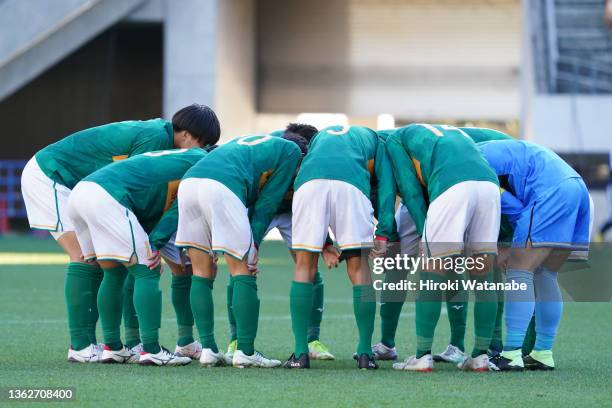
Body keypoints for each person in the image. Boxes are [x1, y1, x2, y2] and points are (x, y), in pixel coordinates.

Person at [20, 104, 220, 362]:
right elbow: (141, 192)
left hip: (82, 188)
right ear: (188, 135)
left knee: (109, 262)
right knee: (85, 258)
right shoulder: (158, 137)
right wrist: (150, 243)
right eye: (201, 143)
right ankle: (82, 345)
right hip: (51, 176)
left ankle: (112, 345)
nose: (200, 150)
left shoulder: (160, 134)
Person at [176, 133, 307, 368]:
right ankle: (245, 351)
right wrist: (253, 244)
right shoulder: (292, 152)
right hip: (222, 187)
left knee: (200, 271)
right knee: (242, 270)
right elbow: (268, 202)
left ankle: (208, 348)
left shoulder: (253, 142)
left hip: (189, 184)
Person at [386, 124, 500, 372]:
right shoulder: (453, 131)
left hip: (451, 186)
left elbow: (411, 192)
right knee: (483, 276)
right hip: (490, 187)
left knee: (432, 271)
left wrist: (425, 231)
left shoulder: (394, 140)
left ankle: (422, 356)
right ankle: (480, 356)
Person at [285, 125, 398, 370]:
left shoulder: (320, 136)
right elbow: (387, 186)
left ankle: (300, 354)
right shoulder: (379, 142)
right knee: (359, 269)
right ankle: (366, 353)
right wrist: (384, 231)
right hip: (352, 186)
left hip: (308, 186)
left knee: (305, 266)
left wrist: (324, 243)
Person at [477, 139, 591, 371]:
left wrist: (509, 247)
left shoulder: (469, 163)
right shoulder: (485, 148)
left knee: (519, 270)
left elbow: (511, 206)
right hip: (578, 189)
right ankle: (542, 352)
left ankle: (510, 354)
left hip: (550, 191)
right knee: (545, 275)